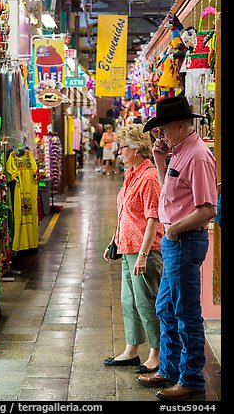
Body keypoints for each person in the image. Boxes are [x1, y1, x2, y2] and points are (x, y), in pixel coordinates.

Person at [137, 96, 218, 401]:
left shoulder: (196, 156)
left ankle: (192, 379)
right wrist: (160, 159)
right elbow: (169, 195)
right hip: (175, 241)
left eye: (164, 128)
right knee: (166, 308)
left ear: (181, 124)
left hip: (184, 241)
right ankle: (170, 369)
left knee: (185, 313)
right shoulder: (180, 152)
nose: (160, 134)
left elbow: (208, 208)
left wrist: (172, 229)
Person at [103, 124, 163, 373]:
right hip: (128, 247)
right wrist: (114, 241)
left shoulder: (149, 177)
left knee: (146, 302)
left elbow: (153, 218)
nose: (119, 151)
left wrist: (143, 254)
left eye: (123, 146)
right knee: (129, 301)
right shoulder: (131, 174)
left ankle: (157, 354)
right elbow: (125, 214)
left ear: (137, 149)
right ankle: (132, 349)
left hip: (144, 250)